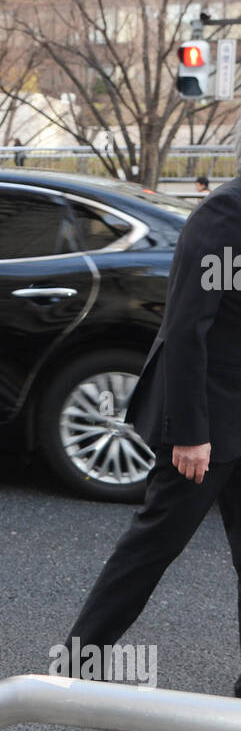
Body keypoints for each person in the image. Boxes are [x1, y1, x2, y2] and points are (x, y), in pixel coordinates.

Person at [60, 112, 241, 695]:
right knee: (153, 546)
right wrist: (190, 431)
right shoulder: (225, 214)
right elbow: (187, 328)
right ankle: (75, 665)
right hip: (208, 419)